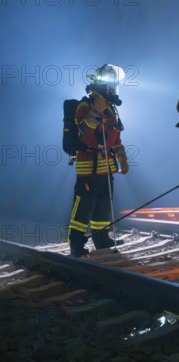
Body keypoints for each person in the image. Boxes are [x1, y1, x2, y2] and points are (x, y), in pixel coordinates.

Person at [68, 64, 129, 257]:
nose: (112, 87)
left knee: (103, 204)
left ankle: (102, 239)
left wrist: (121, 155)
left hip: (106, 167)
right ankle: (76, 243)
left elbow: (114, 135)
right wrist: (96, 110)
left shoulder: (110, 107)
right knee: (84, 205)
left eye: (114, 83)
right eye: (109, 83)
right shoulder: (86, 105)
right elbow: (83, 134)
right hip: (88, 166)